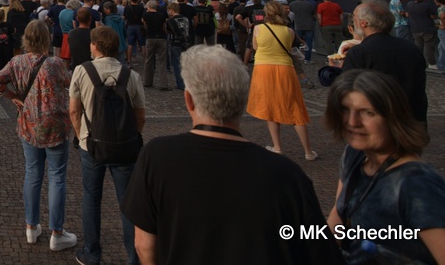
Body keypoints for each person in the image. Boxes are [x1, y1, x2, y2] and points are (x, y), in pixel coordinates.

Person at [122, 46, 344, 265]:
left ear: (189, 100)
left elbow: (144, 245)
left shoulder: (158, 156)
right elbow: (319, 251)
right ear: (243, 99)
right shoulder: (287, 174)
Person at [325, 69, 445, 264]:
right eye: (345, 110)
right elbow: (339, 214)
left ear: (393, 118)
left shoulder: (417, 184)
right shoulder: (355, 155)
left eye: (367, 113)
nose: (353, 122)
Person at [0, 20, 76, 252]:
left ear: (25, 39)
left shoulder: (16, 62)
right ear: (46, 39)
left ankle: (31, 226)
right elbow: (70, 83)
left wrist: (12, 97)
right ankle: (57, 232)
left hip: (29, 123)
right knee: (57, 177)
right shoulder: (55, 63)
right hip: (54, 124)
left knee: (33, 173)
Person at [69, 26, 145, 265]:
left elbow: (74, 111)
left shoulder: (82, 71)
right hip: (125, 144)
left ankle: (92, 253)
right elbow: (140, 115)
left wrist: (80, 135)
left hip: (91, 143)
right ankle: (134, 257)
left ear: (95, 46)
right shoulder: (131, 75)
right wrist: (131, 135)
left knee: (92, 198)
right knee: (128, 202)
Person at [246, 1, 317, 160]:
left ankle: (277, 147)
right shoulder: (289, 31)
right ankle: (308, 151)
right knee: (295, 106)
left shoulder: (258, 28)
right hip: (285, 69)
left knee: (270, 106)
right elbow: (289, 47)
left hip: (263, 69)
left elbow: (255, 47)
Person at [342, 0, 428, 125]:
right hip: (413, 118)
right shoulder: (411, 48)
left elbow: (347, 91)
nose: (352, 20)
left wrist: (336, 69)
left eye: (354, 17)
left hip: (381, 122)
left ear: (363, 23)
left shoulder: (359, 53)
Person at [141, 0, 169, 90]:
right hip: (161, 37)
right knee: (162, 61)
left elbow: (145, 26)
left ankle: (147, 81)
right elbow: (163, 27)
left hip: (150, 37)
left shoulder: (145, 15)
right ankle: (163, 84)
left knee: (149, 60)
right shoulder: (161, 15)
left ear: (148, 7)